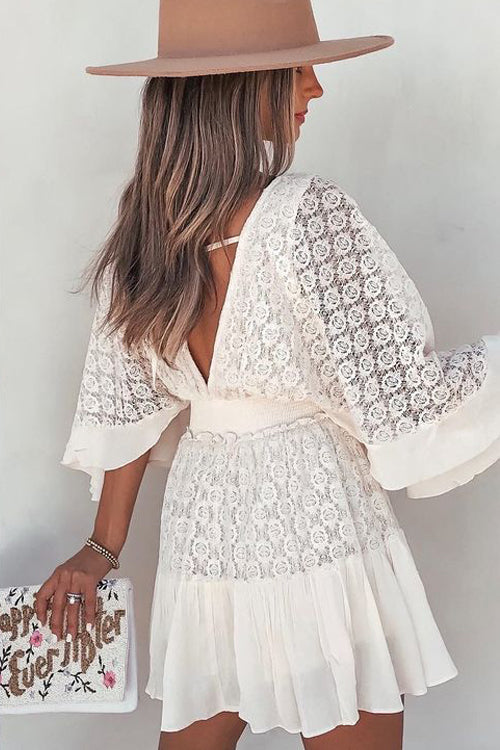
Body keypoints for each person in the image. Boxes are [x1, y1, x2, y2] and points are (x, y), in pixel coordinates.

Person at [34, 1, 500, 749]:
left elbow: (125, 409)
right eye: (298, 69)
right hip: (313, 516)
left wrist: (102, 546)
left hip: (204, 529)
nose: (316, 87)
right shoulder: (307, 214)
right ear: (238, 86)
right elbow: (405, 396)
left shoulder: (143, 239)